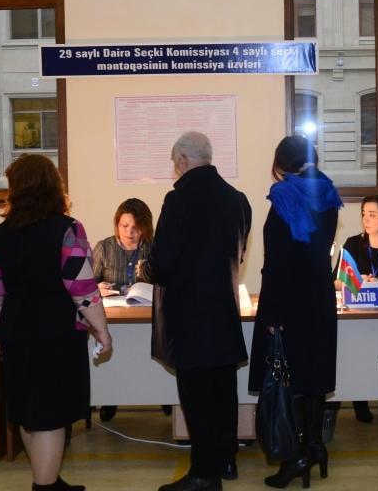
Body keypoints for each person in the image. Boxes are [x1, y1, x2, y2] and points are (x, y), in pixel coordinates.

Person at [0, 155, 112, 491]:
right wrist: (102, 329)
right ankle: (44, 487)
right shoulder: (67, 229)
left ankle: (49, 480)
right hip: (55, 333)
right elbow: (81, 288)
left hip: (15, 330)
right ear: (53, 186)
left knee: (28, 411)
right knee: (51, 416)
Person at [147, 132, 251, 491]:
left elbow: (161, 265)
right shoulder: (239, 200)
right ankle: (225, 461)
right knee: (223, 392)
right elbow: (237, 256)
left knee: (196, 397)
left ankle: (203, 475)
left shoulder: (178, 200)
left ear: (182, 160)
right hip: (224, 310)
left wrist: (146, 268)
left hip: (189, 318)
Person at [248, 135, 342, 489]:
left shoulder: (285, 196)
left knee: (289, 379)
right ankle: (315, 445)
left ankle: (295, 455)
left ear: (281, 163)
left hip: (289, 301)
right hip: (319, 296)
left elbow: (279, 264)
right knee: (314, 373)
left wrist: (271, 314)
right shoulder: (328, 193)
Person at [333, 195, 378, 423]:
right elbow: (335, 282)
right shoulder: (352, 244)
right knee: (359, 350)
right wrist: (355, 281)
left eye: (372, 214)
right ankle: (359, 400)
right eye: (363, 214)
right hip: (357, 316)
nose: (366, 219)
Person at [91, 198, 154, 422]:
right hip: (113, 316)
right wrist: (97, 287)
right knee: (118, 357)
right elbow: (87, 284)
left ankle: (162, 396)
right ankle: (110, 397)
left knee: (147, 354)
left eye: (136, 228)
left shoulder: (153, 248)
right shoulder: (104, 247)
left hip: (147, 316)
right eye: (124, 226)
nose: (129, 232)